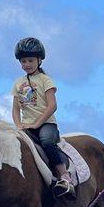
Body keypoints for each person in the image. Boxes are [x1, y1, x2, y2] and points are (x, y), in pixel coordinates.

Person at [11, 37, 75, 198]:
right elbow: (15, 108)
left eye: (30, 60)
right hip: (25, 126)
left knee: (47, 141)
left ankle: (64, 175)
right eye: (23, 61)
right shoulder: (18, 83)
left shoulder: (45, 80)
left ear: (39, 60)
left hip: (46, 124)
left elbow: (52, 105)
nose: (27, 64)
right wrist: (18, 125)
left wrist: (37, 123)